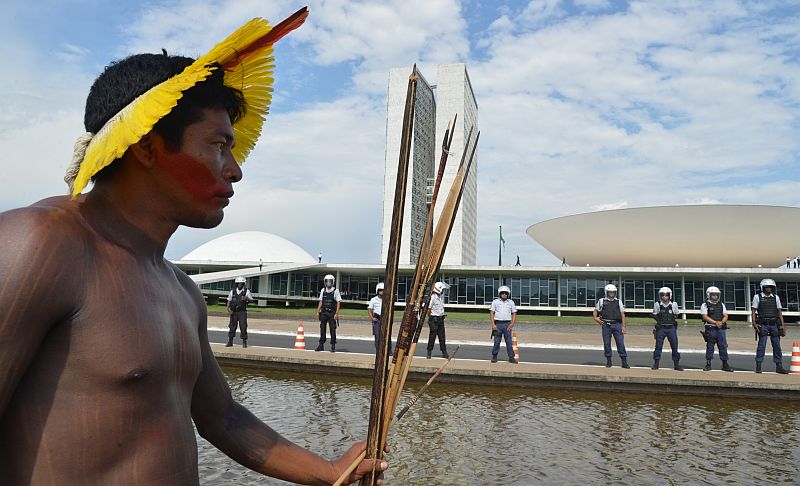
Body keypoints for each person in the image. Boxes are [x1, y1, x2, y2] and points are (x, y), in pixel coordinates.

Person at [0, 11, 388, 484]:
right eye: (219, 144)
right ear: (146, 146)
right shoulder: (40, 244)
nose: (235, 170)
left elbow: (221, 416)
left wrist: (330, 471)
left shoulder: (181, 290)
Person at [751, 278, 789, 374]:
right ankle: (758, 366)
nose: (769, 289)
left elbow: (779, 312)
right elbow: (753, 311)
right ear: (763, 287)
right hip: (763, 324)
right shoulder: (757, 297)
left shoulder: (776, 297)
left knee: (777, 346)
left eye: (771, 287)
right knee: (761, 346)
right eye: (767, 287)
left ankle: (779, 366)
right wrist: (754, 324)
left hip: (774, 325)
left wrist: (783, 326)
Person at [593, 284, 629, 368]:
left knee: (620, 343)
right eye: (610, 292)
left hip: (617, 325)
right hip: (606, 325)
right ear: (606, 292)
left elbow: (622, 314)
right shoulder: (601, 301)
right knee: (607, 343)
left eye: (613, 292)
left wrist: (623, 326)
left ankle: (624, 362)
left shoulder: (618, 301)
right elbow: (595, 311)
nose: (612, 294)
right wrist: (596, 318)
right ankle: (609, 361)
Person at [700, 286, 733, 372]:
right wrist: (715, 322)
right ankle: (708, 364)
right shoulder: (705, 305)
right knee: (710, 346)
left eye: (716, 295)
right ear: (709, 295)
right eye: (713, 295)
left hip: (721, 329)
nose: (715, 296)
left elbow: (725, 315)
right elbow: (705, 316)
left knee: (723, 346)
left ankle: (725, 364)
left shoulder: (721, 304)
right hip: (711, 329)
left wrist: (721, 322)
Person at [650, 287, 682, 371]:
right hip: (661, 328)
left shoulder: (674, 304)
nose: (664, 297)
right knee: (658, 346)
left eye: (666, 295)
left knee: (675, 346)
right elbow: (655, 314)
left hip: (671, 328)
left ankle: (676, 364)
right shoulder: (657, 304)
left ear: (670, 295)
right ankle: (656, 363)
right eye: (662, 295)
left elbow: (676, 315)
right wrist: (660, 321)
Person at [489, 285, 518, 363]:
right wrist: (493, 324)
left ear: (508, 294)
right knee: (496, 342)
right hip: (497, 324)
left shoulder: (511, 302)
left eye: (506, 293)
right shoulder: (495, 302)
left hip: (507, 324)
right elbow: (492, 313)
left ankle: (511, 357)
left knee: (509, 342)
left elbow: (514, 313)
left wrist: (512, 324)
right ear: (499, 294)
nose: (504, 294)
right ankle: (494, 356)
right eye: (502, 293)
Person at [315, 274, 341, 352]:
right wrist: (317, 311)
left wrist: (336, 313)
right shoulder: (323, 290)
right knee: (322, 328)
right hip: (323, 312)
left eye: (330, 282)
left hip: (331, 313)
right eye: (327, 281)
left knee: (332, 329)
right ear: (325, 282)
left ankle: (333, 345)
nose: (328, 283)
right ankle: (321, 345)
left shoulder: (335, 291)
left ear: (333, 282)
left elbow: (338, 302)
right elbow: (321, 301)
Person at [226, 276, 251, 348]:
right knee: (232, 326)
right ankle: (230, 341)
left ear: (243, 284)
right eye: (238, 283)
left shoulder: (246, 291)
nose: (240, 285)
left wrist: (247, 299)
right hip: (233, 312)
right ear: (236, 284)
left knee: (243, 326)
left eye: (241, 284)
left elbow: (251, 300)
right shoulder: (232, 291)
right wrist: (228, 309)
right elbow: (229, 300)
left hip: (242, 312)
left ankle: (244, 342)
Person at [426, 282, 449, 359]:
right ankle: (429, 352)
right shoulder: (433, 297)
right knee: (432, 337)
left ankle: (444, 352)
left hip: (440, 319)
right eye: (442, 289)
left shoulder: (441, 297)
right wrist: (431, 318)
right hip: (434, 319)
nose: (443, 291)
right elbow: (428, 309)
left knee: (442, 337)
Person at [367, 282, 390, 353]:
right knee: (377, 336)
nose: (382, 292)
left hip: (385, 319)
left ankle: (389, 351)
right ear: (377, 291)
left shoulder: (387, 299)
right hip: (377, 320)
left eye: (383, 290)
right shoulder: (373, 299)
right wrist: (372, 318)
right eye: (380, 290)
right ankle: (378, 350)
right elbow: (369, 309)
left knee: (387, 336)